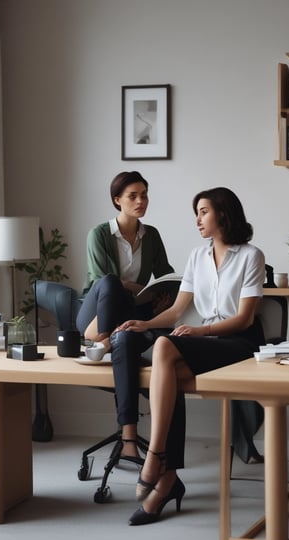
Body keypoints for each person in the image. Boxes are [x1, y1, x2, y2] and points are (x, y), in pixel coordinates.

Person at [114, 187, 265, 525]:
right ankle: (166, 478)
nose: (197, 219)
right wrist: (145, 323)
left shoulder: (250, 255)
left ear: (223, 214)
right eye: (196, 212)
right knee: (168, 373)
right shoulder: (198, 256)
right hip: (211, 341)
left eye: (203, 211)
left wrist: (199, 331)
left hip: (240, 343)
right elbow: (178, 310)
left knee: (165, 350)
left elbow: (245, 319)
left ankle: (157, 458)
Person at [76, 170, 175, 459]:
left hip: (131, 315)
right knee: (108, 282)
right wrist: (142, 288)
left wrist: (164, 296)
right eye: (133, 196)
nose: (140, 200)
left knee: (130, 341)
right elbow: (103, 280)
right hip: (95, 317)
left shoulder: (151, 235)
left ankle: (130, 439)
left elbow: (165, 276)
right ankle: (103, 339)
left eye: (144, 194)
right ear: (117, 200)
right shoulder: (99, 234)